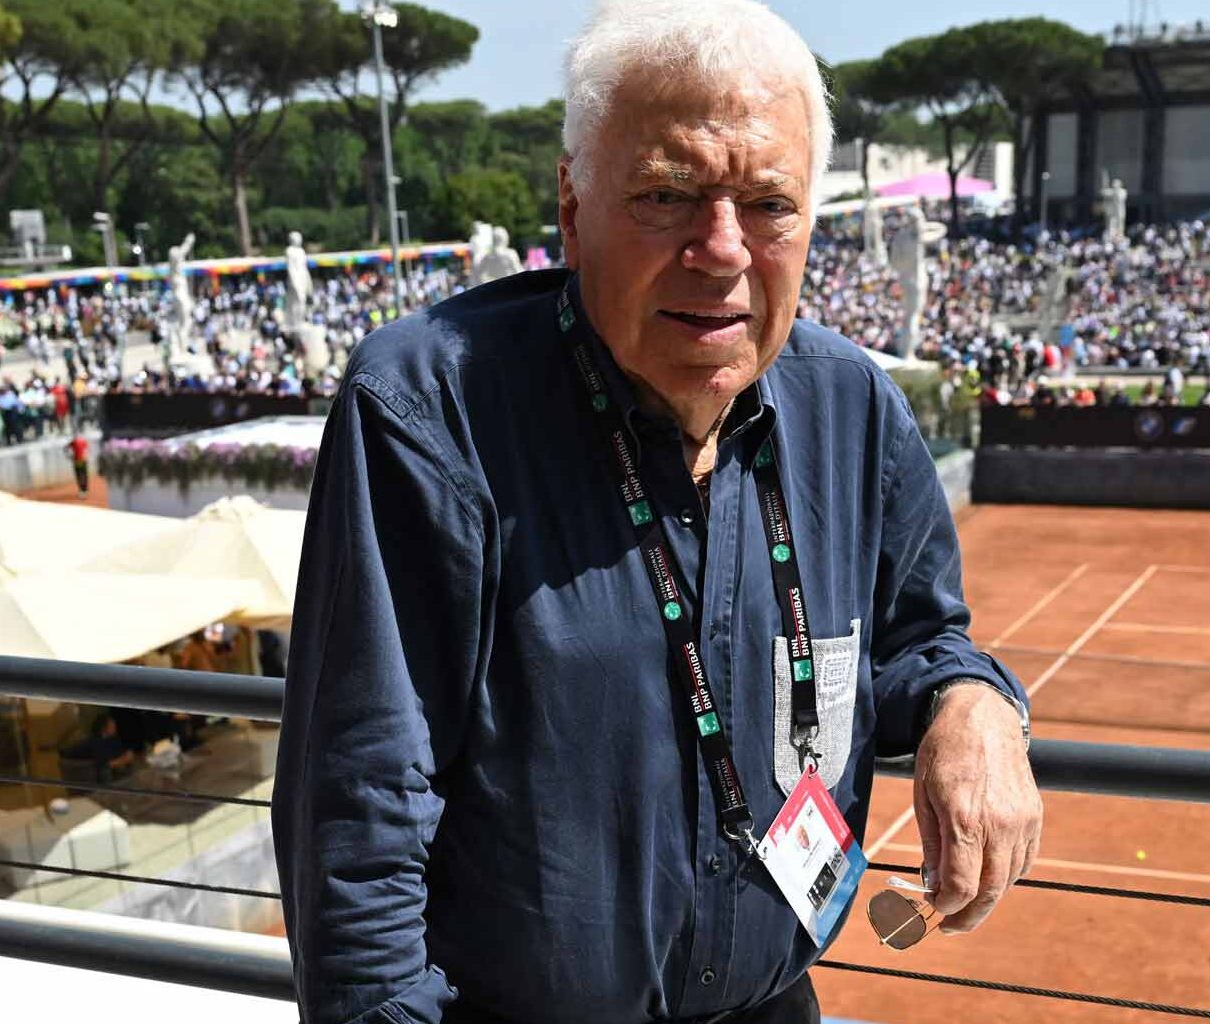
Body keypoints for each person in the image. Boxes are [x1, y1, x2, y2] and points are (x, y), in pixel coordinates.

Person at [273, 4, 1042, 1023]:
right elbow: (361, 815)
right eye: (667, 195)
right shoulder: (429, 410)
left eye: (769, 204)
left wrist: (974, 703)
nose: (721, 250)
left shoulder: (855, 407)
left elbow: (918, 637)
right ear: (572, 204)